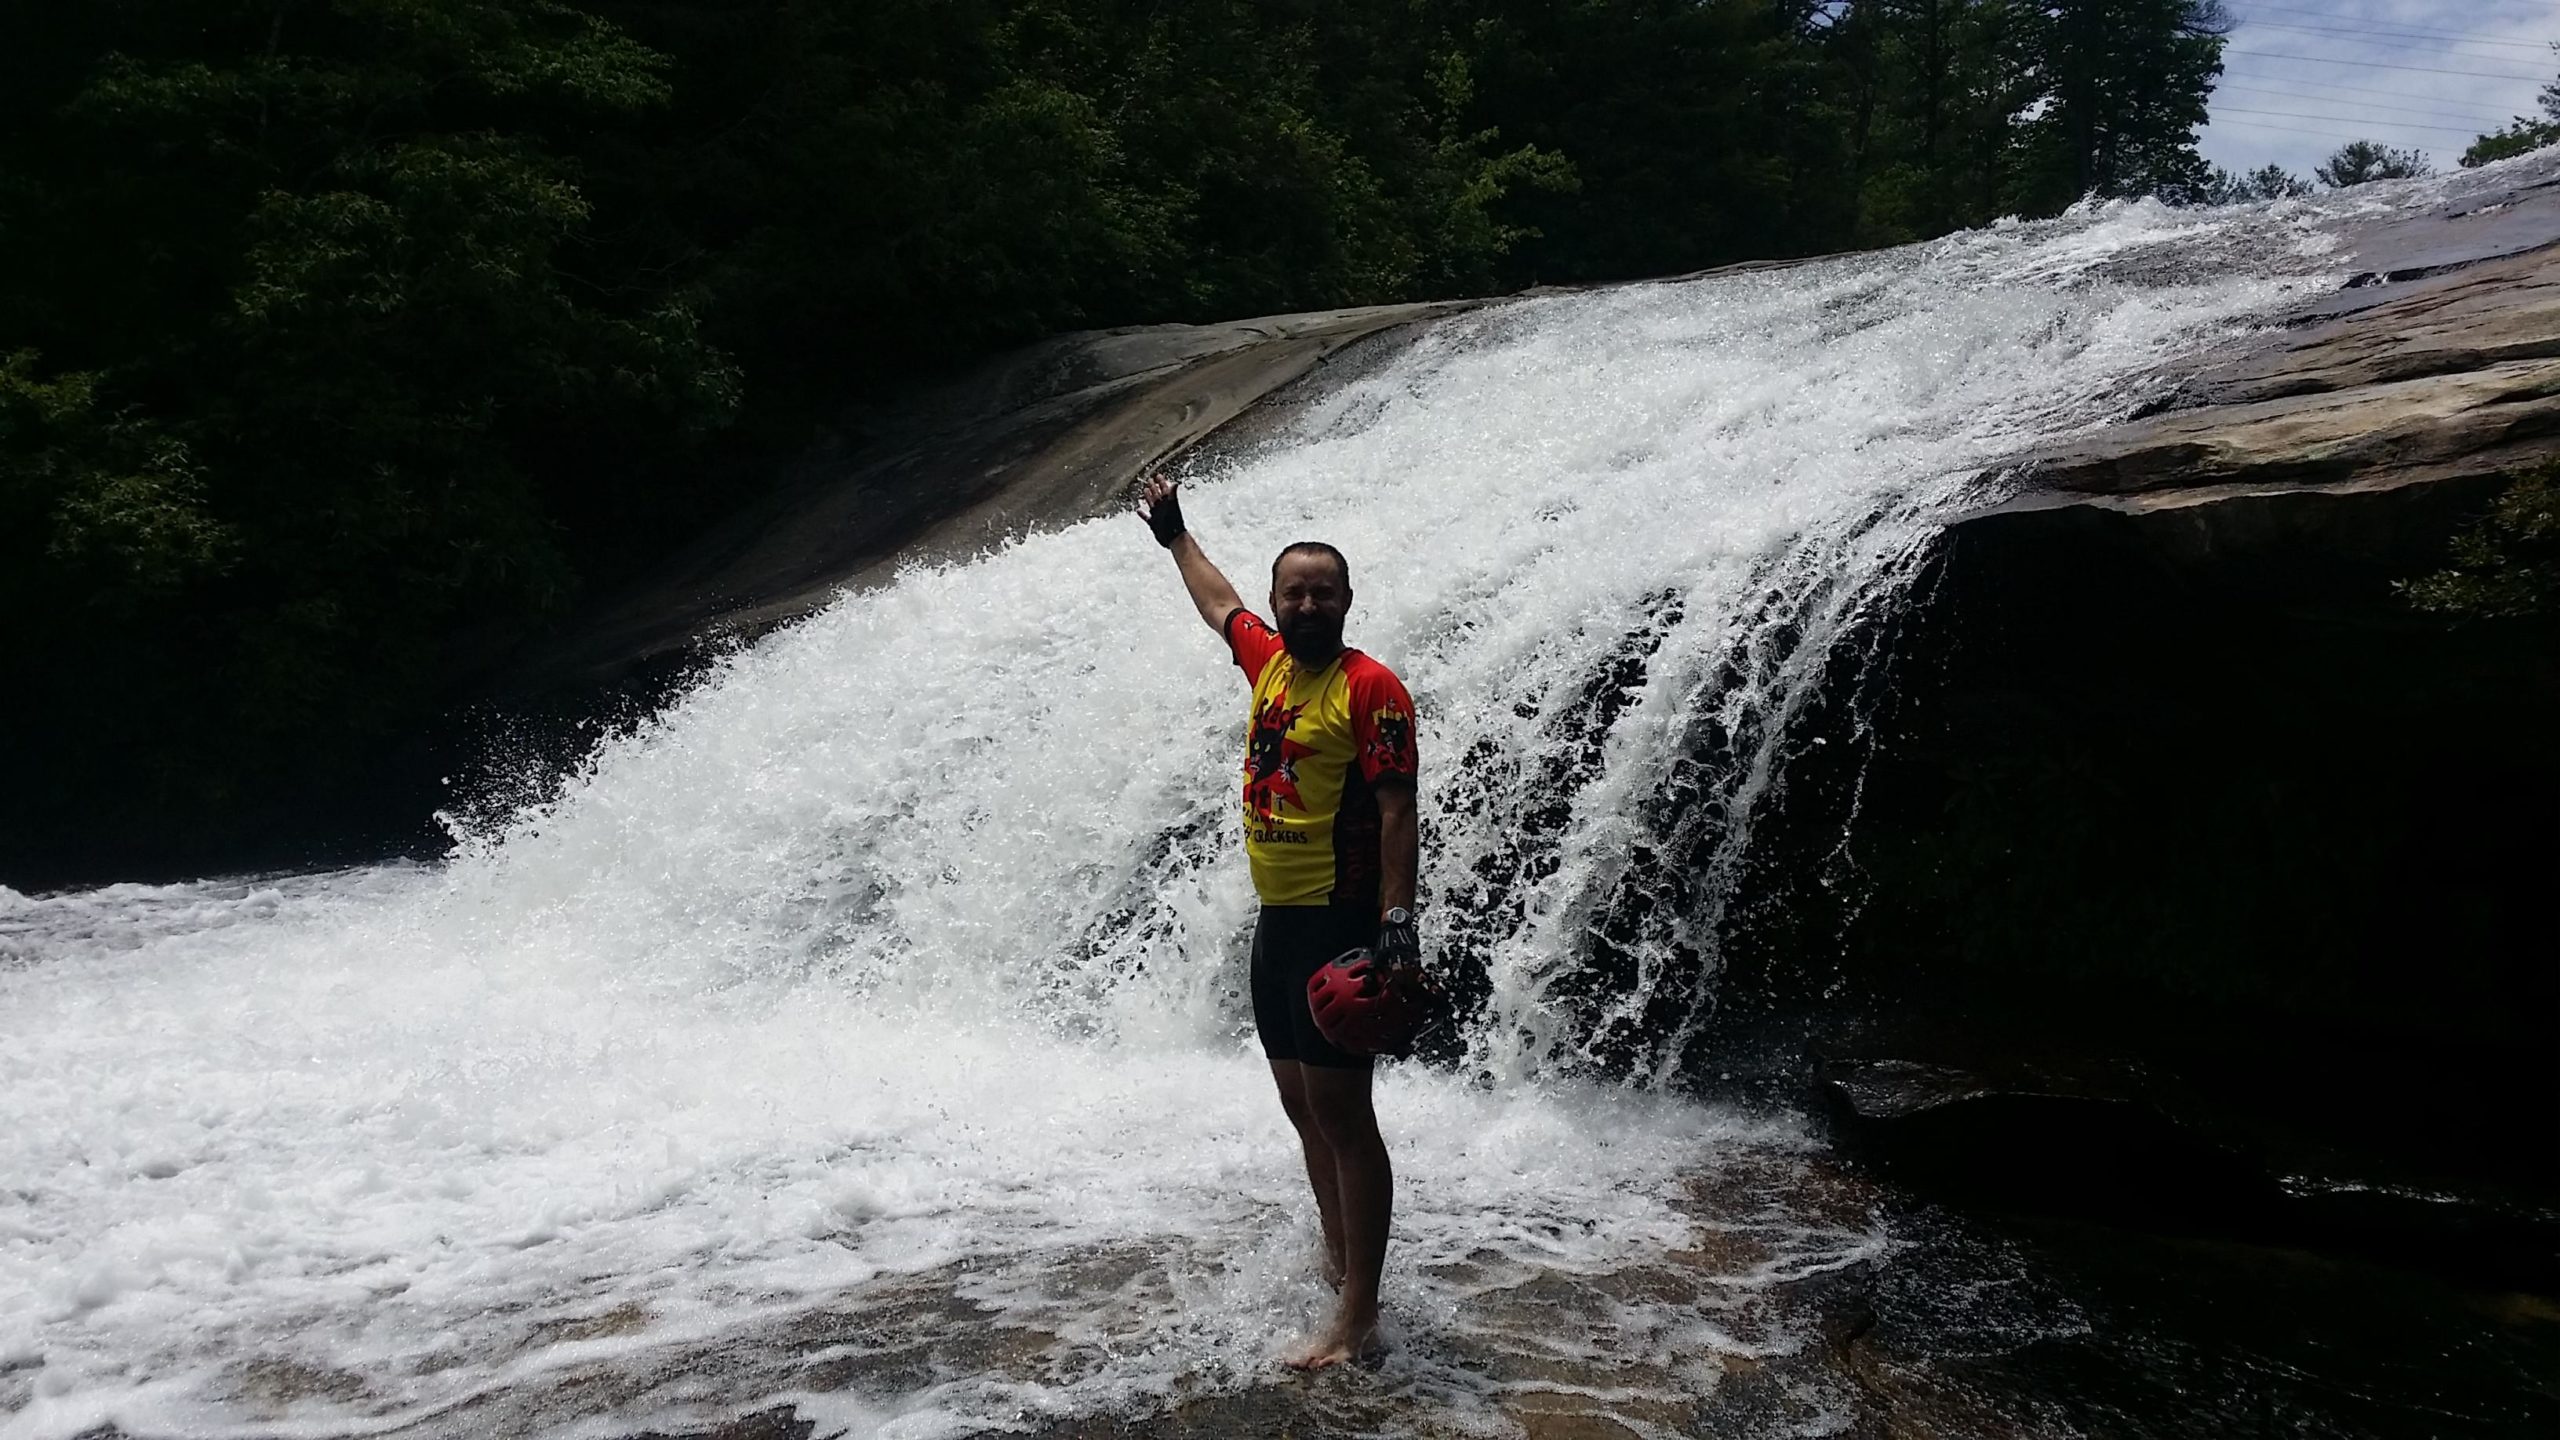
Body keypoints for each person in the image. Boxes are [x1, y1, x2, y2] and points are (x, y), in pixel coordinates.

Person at [1139, 473, 1423, 1371]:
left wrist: (1396, 924)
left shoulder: (1370, 688)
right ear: (1277, 602)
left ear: (1346, 601)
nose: (1308, 602)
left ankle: (1359, 1317)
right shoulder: (1267, 662)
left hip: (1339, 921)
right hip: (1278, 923)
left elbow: (1396, 812)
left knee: (1344, 1113)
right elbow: (1216, 602)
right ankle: (1343, 1264)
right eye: (1293, 591)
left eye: (1323, 591)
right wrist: (1175, 536)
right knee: (1303, 1108)